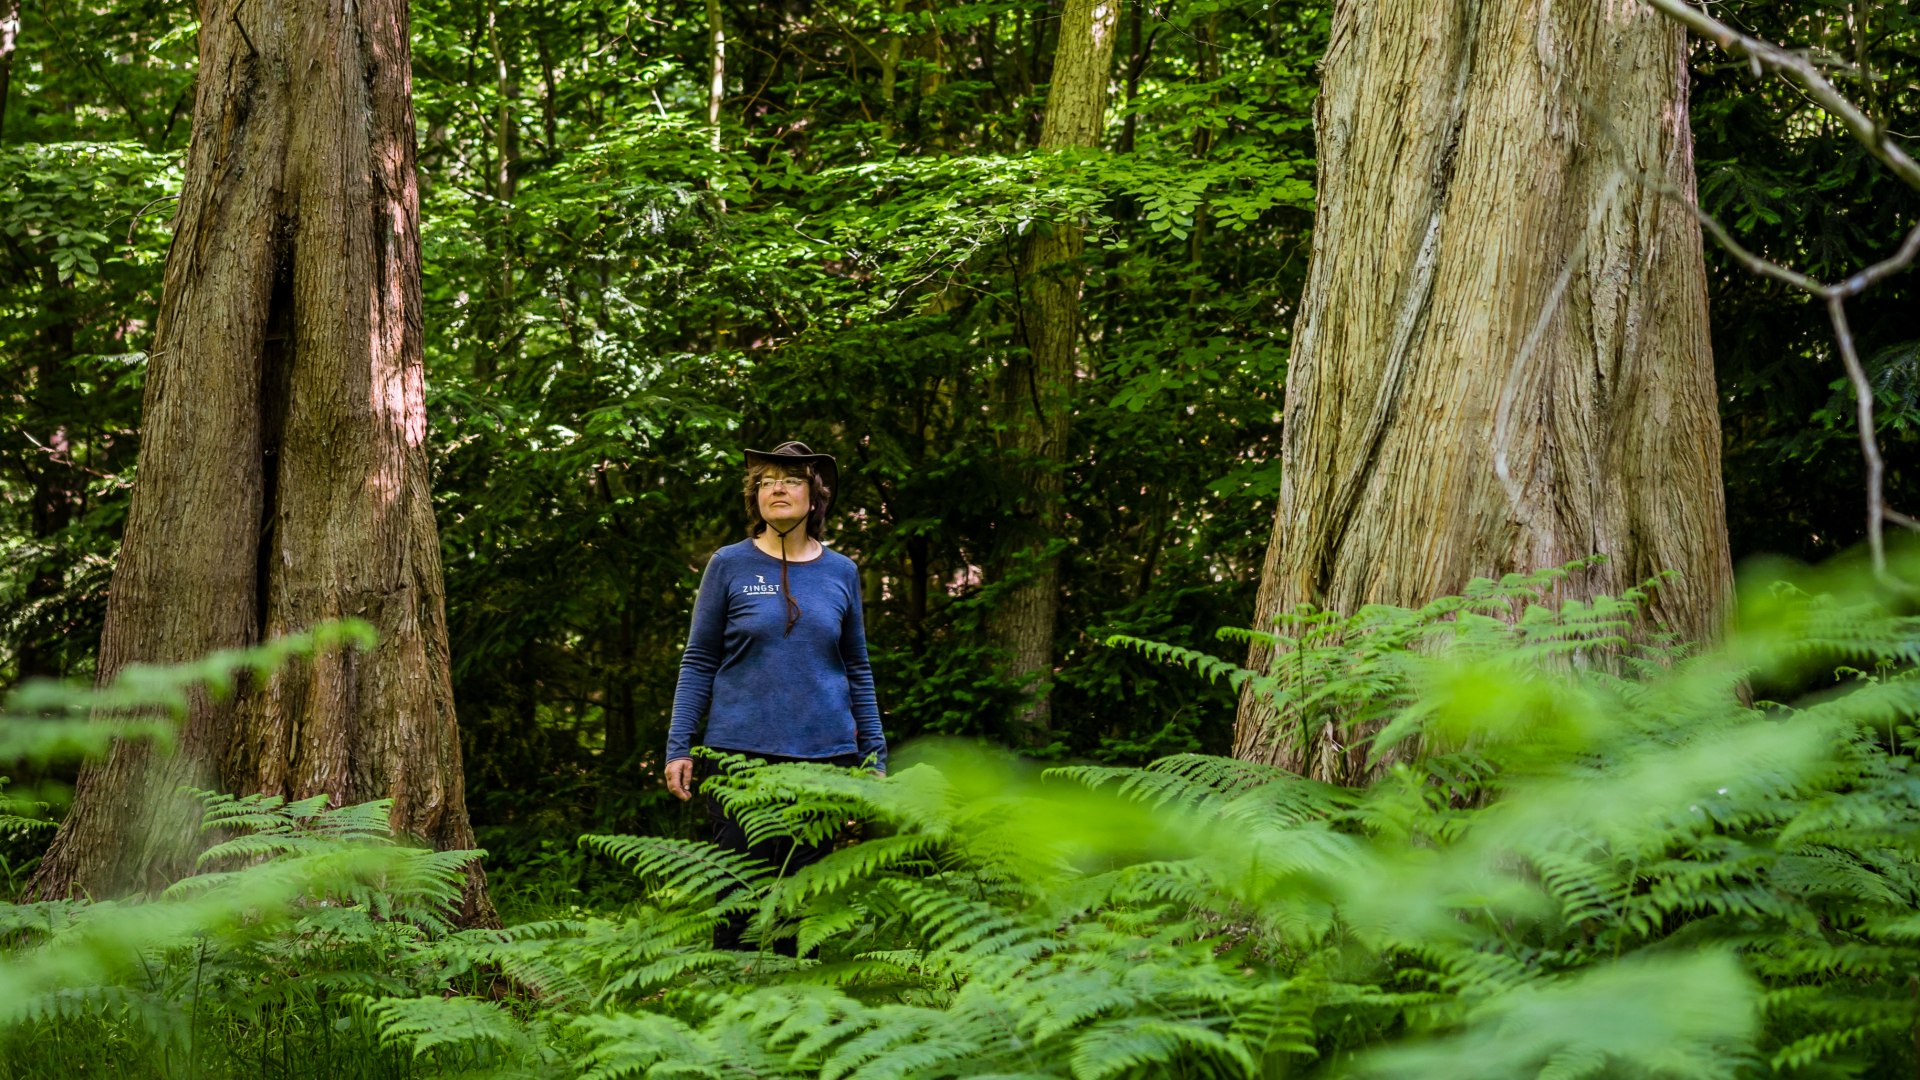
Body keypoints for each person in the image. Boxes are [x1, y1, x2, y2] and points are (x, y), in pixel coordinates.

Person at [663, 440, 887, 954]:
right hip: (738, 758)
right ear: (754, 498)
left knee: (800, 910)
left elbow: (857, 666)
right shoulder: (729, 565)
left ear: (816, 498)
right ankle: (732, 1016)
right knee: (737, 902)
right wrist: (679, 745)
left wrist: (873, 756)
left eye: (790, 479)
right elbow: (698, 660)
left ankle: (791, 1018)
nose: (776, 488)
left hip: (823, 759)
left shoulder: (841, 573)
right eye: (765, 481)